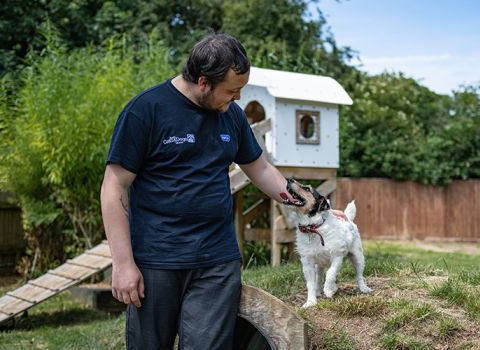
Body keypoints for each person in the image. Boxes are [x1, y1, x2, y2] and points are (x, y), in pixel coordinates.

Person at [100, 33, 346, 350]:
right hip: (156, 261)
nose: (238, 98)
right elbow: (113, 186)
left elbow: (260, 169)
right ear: (203, 82)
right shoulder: (146, 111)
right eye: (231, 91)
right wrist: (122, 265)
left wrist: (314, 211)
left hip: (216, 260)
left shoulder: (231, 116)